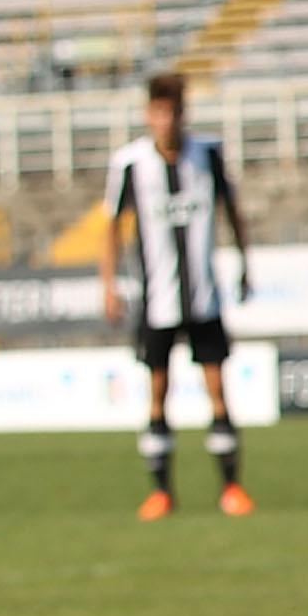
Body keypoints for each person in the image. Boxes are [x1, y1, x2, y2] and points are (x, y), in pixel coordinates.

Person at [101, 73, 255, 520]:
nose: (166, 121)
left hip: (203, 298)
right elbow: (111, 227)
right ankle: (161, 492)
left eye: (173, 112)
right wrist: (108, 285)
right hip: (156, 301)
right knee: (156, 393)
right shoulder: (130, 164)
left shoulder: (207, 155)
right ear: (149, 115)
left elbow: (233, 212)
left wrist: (246, 263)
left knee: (218, 392)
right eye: (158, 112)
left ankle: (231, 488)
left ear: (183, 114)